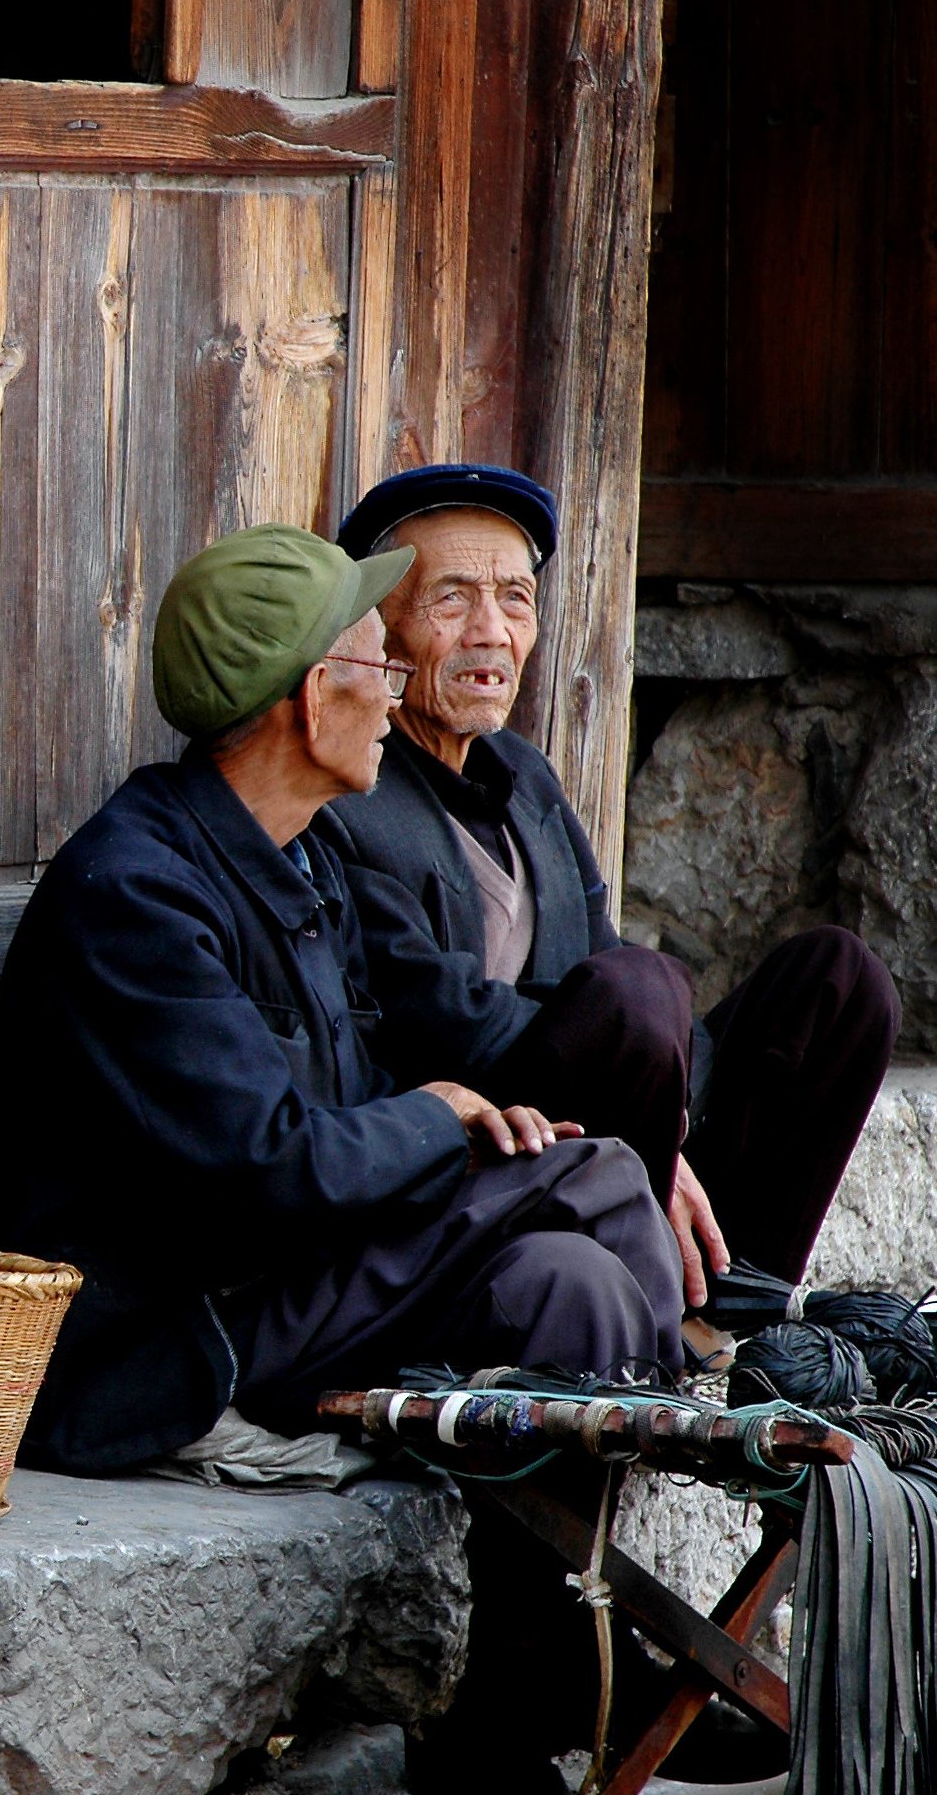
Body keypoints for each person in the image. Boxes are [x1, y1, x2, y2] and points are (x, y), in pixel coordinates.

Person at [0, 524, 696, 1795]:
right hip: (174, 1335)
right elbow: (266, 1169)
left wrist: (451, 1116)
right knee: (581, 1180)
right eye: (375, 657)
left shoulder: (296, 850)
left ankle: (516, 1707)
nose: (394, 688)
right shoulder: (136, 888)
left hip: (295, 1273)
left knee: (568, 1284)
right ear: (312, 696)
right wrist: (436, 1119)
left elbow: (360, 1092)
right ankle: (682, 1418)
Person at [318, 464, 897, 1308]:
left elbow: (599, 945)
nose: (490, 631)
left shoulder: (522, 772)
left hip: (609, 1103)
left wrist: (673, 1124)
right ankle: (650, 1296)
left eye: (514, 599)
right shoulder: (350, 784)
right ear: (383, 629)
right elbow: (427, 1014)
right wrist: (640, 1129)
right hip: (488, 1137)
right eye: (451, 600)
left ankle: (733, 1311)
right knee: (634, 995)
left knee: (837, 983)